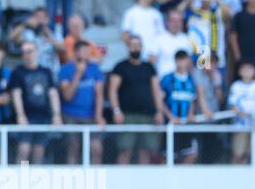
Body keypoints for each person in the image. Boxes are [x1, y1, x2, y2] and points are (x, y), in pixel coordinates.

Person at [108, 36, 165, 165]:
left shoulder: (149, 67)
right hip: (127, 115)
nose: (135, 48)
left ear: (142, 47)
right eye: (132, 45)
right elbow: (112, 91)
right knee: (125, 151)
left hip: (147, 115)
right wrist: (116, 111)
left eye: (138, 45)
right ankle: (120, 182)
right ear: (128, 47)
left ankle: (143, 184)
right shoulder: (120, 67)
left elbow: (156, 91)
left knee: (145, 152)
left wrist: (159, 111)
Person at [9, 39, 62, 164]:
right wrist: (20, 115)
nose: (27, 55)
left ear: (37, 52)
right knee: (24, 149)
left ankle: (36, 176)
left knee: (39, 149)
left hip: (43, 115)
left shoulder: (46, 72)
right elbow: (16, 94)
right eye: (24, 52)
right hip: (27, 116)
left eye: (30, 51)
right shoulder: (18, 72)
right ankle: (22, 174)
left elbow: (53, 94)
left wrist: (56, 115)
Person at [57, 38, 105, 164]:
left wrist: (99, 115)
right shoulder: (66, 70)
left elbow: (99, 94)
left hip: (91, 115)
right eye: (85, 52)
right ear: (76, 52)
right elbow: (67, 96)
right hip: (71, 114)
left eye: (89, 52)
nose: (88, 55)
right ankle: (71, 175)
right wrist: (78, 74)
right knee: (73, 146)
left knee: (96, 148)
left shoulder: (95, 69)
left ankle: (96, 176)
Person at [160, 50, 210, 166]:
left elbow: (193, 99)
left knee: (191, 154)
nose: (182, 63)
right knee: (168, 157)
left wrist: (191, 114)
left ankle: (181, 178)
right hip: (171, 125)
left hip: (186, 124)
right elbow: (160, 100)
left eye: (185, 59)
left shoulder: (191, 80)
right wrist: (170, 116)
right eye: (180, 60)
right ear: (176, 61)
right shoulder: (167, 79)